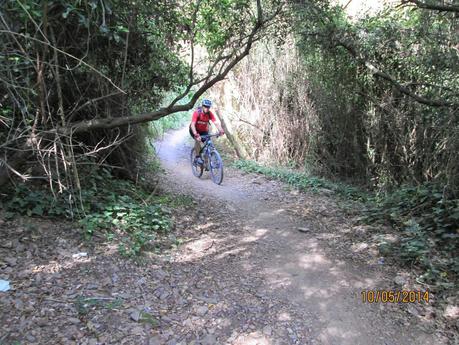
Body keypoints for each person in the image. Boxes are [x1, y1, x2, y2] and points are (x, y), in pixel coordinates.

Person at [189, 99, 225, 165]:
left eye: (208, 107)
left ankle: (206, 163)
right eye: (205, 106)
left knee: (207, 144)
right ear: (202, 106)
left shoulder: (209, 114)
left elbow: (216, 123)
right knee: (198, 140)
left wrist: (221, 130)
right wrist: (196, 134)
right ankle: (197, 157)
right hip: (194, 130)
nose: (207, 108)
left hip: (204, 131)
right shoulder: (197, 113)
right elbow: (192, 124)